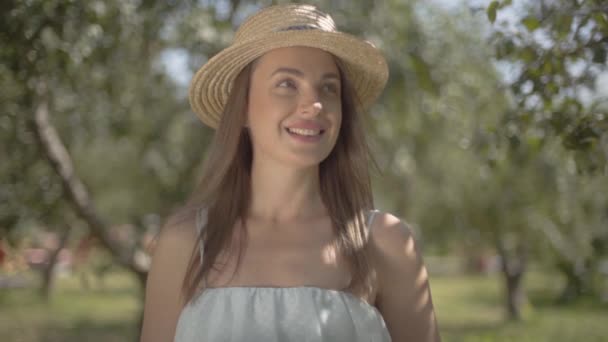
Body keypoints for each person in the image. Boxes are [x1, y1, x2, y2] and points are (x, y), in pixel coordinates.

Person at [140, 3, 440, 342]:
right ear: (243, 108)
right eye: (287, 83)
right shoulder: (186, 243)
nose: (314, 104)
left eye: (329, 88)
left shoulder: (385, 243)